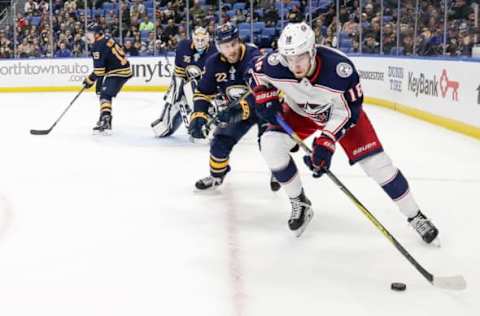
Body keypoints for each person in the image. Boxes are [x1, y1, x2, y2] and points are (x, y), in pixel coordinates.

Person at [250, 22, 439, 242]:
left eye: (300, 57)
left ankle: (415, 215)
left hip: (341, 115)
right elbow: (254, 74)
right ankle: (299, 202)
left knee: (379, 166)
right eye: (289, 58)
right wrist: (264, 95)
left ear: (312, 50)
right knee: (270, 144)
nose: (294, 65)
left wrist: (327, 142)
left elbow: (350, 112)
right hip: (300, 112)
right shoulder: (275, 63)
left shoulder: (340, 69)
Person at [189, 23, 280, 192]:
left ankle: (279, 171)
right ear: (218, 46)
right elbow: (203, 92)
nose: (230, 50)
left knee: (271, 142)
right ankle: (217, 176)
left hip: (263, 106)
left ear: (238, 41)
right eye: (225, 46)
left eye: (233, 44)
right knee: (220, 142)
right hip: (235, 111)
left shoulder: (253, 56)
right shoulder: (213, 63)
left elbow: (260, 88)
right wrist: (199, 115)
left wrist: (241, 109)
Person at [151, 27, 217, 137]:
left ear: (208, 39)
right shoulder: (183, 47)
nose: (200, 43)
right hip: (187, 84)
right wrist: (176, 92)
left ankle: (209, 122)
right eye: (197, 40)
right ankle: (168, 123)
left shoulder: (215, 52)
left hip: (207, 89)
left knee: (193, 88)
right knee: (161, 130)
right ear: (192, 38)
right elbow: (179, 73)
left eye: (203, 40)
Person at [82, 22, 133, 135]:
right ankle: (104, 117)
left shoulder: (97, 46)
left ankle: (106, 121)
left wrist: (89, 80)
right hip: (120, 69)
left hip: (118, 72)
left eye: (90, 33)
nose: (87, 35)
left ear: (97, 34)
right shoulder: (105, 39)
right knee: (104, 94)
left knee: (105, 95)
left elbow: (100, 71)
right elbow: (104, 66)